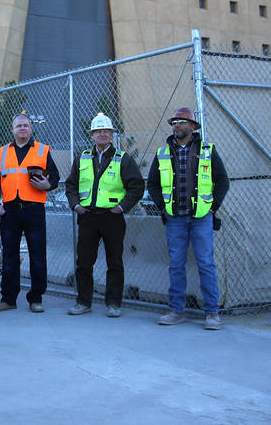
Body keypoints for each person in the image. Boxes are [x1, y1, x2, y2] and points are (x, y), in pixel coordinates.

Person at [146, 107, 230, 330]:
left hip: (201, 217)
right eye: (174, 122)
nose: (177, 126)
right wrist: (163, 207)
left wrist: (213, 207)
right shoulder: (162, 153)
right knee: (176, 264)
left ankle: (212, 312)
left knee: (206, 263)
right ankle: (176, 310)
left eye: (182, 122)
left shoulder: (207, 151)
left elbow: (222, 181)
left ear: (193, 126)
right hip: (175, 218)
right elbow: (152, 183)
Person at [64, 113, 145, 317]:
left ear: (111, 135)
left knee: (114, 262)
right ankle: (83, 302)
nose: (102, 134)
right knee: (83, 262)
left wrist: (122, 207)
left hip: (112, 218)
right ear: (92, 135)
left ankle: (114, 303)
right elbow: (71, 185)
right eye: (98, 131)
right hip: (88, 217)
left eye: (106, 131)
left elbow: (137, 186)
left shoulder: (122, 159)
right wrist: (75, 205)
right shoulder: (82, 158)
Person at [0, 113, 59, 313]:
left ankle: (36, 298)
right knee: (9, 256)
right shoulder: (2, 152)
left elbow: (55, 175)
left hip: (34, 210)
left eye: (26, 126)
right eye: (19, 126)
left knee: (37, 256)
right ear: (12, 129)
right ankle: (8, 298)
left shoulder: (42, 150)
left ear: (31, 129)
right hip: (9, 212)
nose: (22, 129)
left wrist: (48, 184)